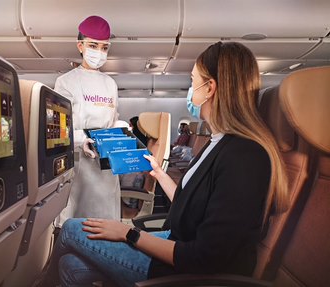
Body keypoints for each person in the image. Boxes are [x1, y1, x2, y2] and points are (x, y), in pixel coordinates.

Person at [41, 42, 289, 287]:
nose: (191, 90)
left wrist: (128, 233)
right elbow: (189, 202)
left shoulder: (244, 157)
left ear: (210, 88)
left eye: (193, 81)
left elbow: (205, 258)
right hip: (178, 242)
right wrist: (159, 173)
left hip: (187, 270)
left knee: (72, 229)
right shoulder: (218, 142)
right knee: (71, 266)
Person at [54, 15, 121, 225]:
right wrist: (81, 139)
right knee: (76, 225)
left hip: (107, 165)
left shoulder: (111, 84)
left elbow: (112, 120)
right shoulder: (66, 82)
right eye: (93, 45)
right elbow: (58, 129)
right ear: (80, 46)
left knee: (107, 224)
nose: (99, 52)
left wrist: (121, 131)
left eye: (104, 47)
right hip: (79, 163)